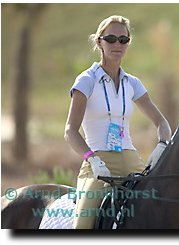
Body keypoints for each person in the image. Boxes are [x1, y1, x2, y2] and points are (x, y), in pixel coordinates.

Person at [64, 15, 172, 229]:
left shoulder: (132, 83)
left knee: (165, 209)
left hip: (132, 161)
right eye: (111, 39)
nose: (117, 44)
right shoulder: (86, 80)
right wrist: (93, 160)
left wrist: (162, 146)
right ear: (99, 42)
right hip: (99, 164)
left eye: (123, 40)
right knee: (82, 225)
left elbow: (161, 122)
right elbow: (70, 131)